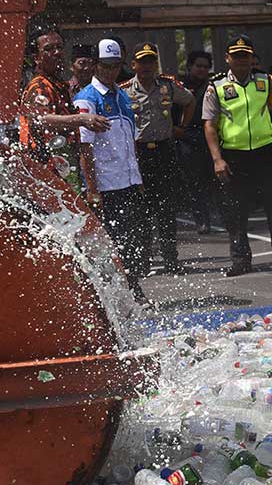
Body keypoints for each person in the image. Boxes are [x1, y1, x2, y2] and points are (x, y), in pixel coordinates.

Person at [203, 34, 272, 276]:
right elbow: (210, 125)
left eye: (246, 56)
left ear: (253, 58)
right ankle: (241, 260)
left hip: (264, 153)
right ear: (227, 58)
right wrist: (217, 159)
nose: (242, 60)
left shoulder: (265, 81)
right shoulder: (217, 86)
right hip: (233, 156)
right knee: (235, 210)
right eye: (237, 56)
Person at [75, 39, 147, 298]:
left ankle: (133, 290)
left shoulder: (124, 95)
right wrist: (92, 189)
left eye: (116, 66)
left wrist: (137, 176)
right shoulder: (87, 99)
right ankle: (119, 294)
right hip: (106, 186)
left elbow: (131, 141)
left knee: (133, 241)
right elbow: (85, 148)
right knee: (114, 243)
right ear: (95, 65)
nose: (111, 71)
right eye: (106, 66)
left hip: (128, 181)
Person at [121, 43, 196, 275]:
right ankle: (143, 262)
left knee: (166, 209)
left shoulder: (167, 85)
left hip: (164, 152)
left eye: (150, 61)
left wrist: (181, 127)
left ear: (156, 64)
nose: (146, 66)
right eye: (141, 61)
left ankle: (171, 259)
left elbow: (190, 100)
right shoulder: (124, 90)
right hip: (138, 154)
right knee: (141, 211)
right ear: (133, 65)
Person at [20, 28, 110, 193]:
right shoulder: (39, 85)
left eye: (60, 47)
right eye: (49, 49)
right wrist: (82, 119)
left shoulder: (59, 85)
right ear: (36, 58)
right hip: (46, 174)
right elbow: (41, 120)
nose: (57, 52)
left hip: (64, 170)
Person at [178, 50, 216, 234]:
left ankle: (225, 216)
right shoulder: (179, 86)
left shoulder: (214, 85)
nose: (202, 70)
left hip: (211, 137)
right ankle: (202, 220)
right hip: (188, 138)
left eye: (205, 67)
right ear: (189, 67)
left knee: (216, 179)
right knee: (195, 182)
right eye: (198, 66)